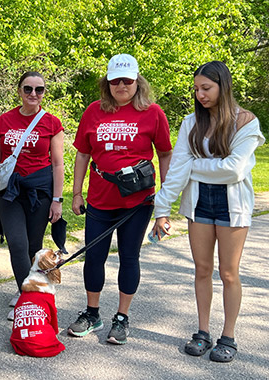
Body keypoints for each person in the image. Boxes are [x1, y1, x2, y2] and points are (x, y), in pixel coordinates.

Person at [152, 61, 265, 362]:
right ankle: (203, 332)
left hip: (233, 205)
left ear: (223, 86)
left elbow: (234, 170)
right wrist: (161, 209)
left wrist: (194, 166)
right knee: (202, 270)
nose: (200, 95)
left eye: (207, 88)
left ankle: (228, 337)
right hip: (198, 203)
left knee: (228, 272)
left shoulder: (246, 122)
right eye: (196, 89)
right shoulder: (191, 123)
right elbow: (176, 171)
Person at [68, 54, 172, 344]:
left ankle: (122, 318)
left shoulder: (153, 113)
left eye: (127, 80)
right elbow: (82, 153)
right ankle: (92, 313)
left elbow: (165, 153)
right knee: (94, 258)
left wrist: (163, 200)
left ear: (137, 81)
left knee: (129, 257)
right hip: (100, 199)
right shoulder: (93, 111)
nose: (121, 85)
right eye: (115, 80)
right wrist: (76, 192)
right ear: (107, 82)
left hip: (137, 202)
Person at [0, 71, 64, 320]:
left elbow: (58, 165)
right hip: (9, 192)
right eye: (28, 89)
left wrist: (57, 199)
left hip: (40, 192)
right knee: (17, 244)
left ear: (43, 93)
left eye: (39, 90)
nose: (33, 94)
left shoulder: (52, 123)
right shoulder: (4, 121)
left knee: (34, 246)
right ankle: (27, 296)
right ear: (19, 91)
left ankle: (34, 289)